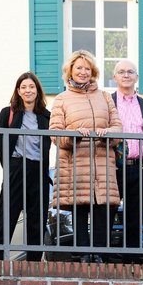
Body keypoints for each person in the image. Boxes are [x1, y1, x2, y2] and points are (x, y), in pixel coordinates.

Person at [49, 50, 122, 264]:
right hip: (75, 163)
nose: (83, 72)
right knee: (79, 208)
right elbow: (55, 132)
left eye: (87, 69)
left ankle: (98, 254)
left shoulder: (105, 96)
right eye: (79, 68)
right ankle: (82, 255)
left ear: (93, 72)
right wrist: (73, 138)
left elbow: (118, 126)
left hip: (102, 162)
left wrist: (109, 134)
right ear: (70, 71)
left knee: (102, 208)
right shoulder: (62, 99)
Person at [0, 72, 52, 261]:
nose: (28, 90)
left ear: (37, 90)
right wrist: (9, 167)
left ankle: (33, 262)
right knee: (6, 215)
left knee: (36, 220)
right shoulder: (8, 113)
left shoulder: (46, 116)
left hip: (38, 171)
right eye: (23, 87)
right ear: (18, 91)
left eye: (31, 87)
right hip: (16, 167)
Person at [111, 60, 143, 263]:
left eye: (130, 71)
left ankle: (131, 260)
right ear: (115, 77)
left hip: (141, 168)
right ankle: (105, 258)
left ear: (136, 77)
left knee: (135, 216)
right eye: (121, 72)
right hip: (113, 167)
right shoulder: (107, 103)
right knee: (107, 213)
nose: (126, 75)